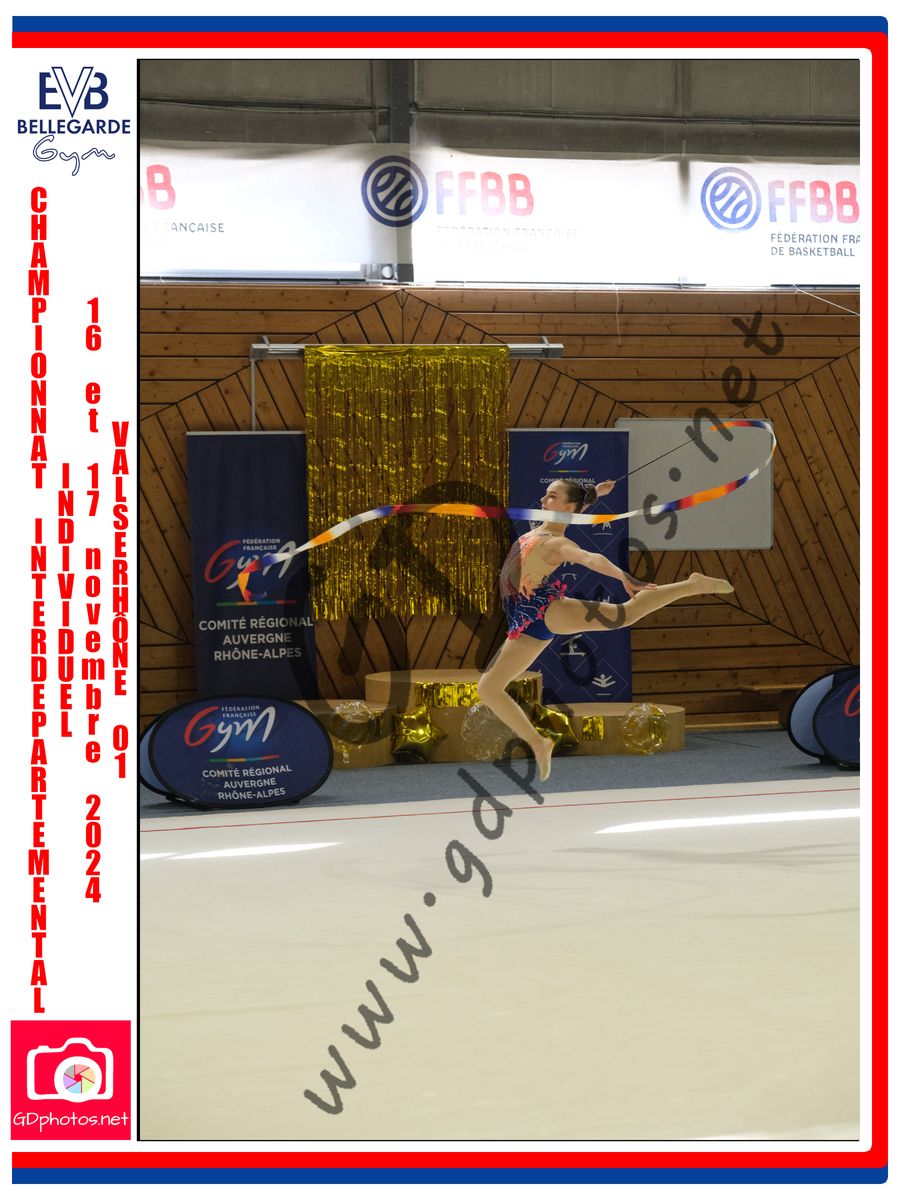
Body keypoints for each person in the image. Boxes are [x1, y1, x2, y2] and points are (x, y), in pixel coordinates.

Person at [477, 478, 734, 781]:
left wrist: (622, 576)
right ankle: (538, 742)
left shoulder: (557, 543)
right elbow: (577, 508)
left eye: (552, 496)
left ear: (568, 507)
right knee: (488, 688)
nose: (543, 500)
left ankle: (692, 585)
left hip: (544, 612)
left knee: (625, 614)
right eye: (546, 495)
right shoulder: (541, 531)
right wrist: (595, 493)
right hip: (523, 621)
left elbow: (590, 558)